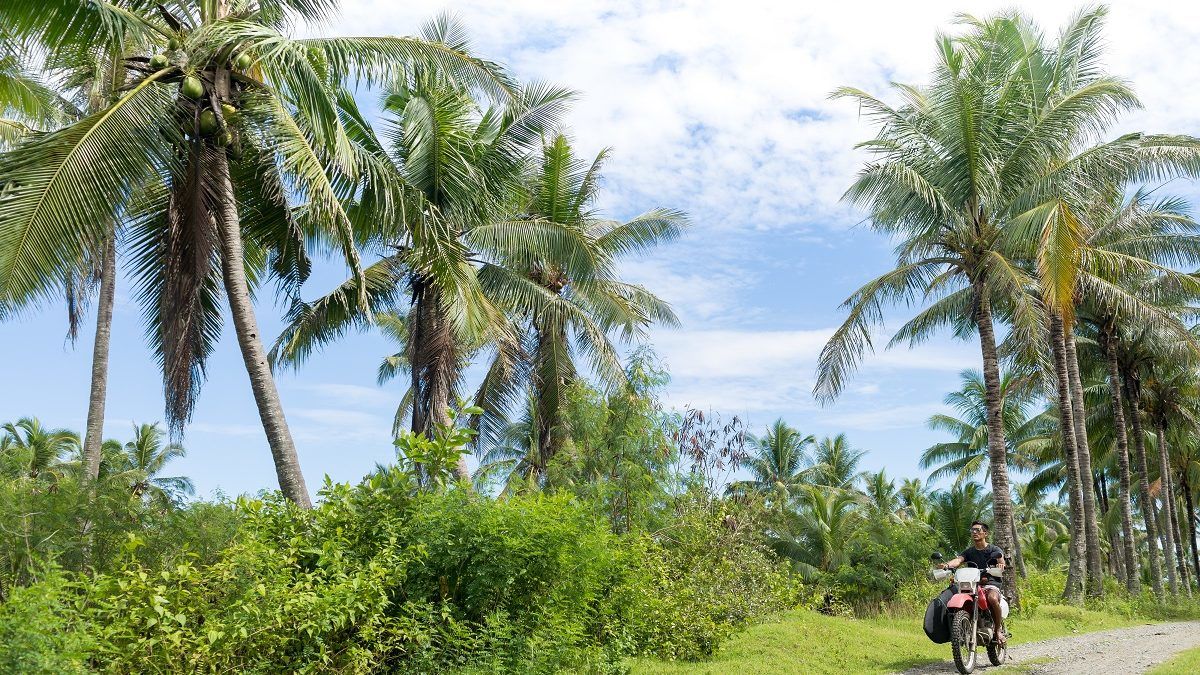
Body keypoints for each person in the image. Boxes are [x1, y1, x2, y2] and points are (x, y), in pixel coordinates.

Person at [938, 520, 1007, 646]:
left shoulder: (994, 549)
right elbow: (958, 560)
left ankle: (998, 630)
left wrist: (1000, 564)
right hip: (973, 583)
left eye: (977, 530)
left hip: (991, 582)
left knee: (992, 598)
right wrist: (947, 565)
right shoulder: (969, 552)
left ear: (985, 533)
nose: (974, 532)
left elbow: (1000, 558)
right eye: (972, 530)